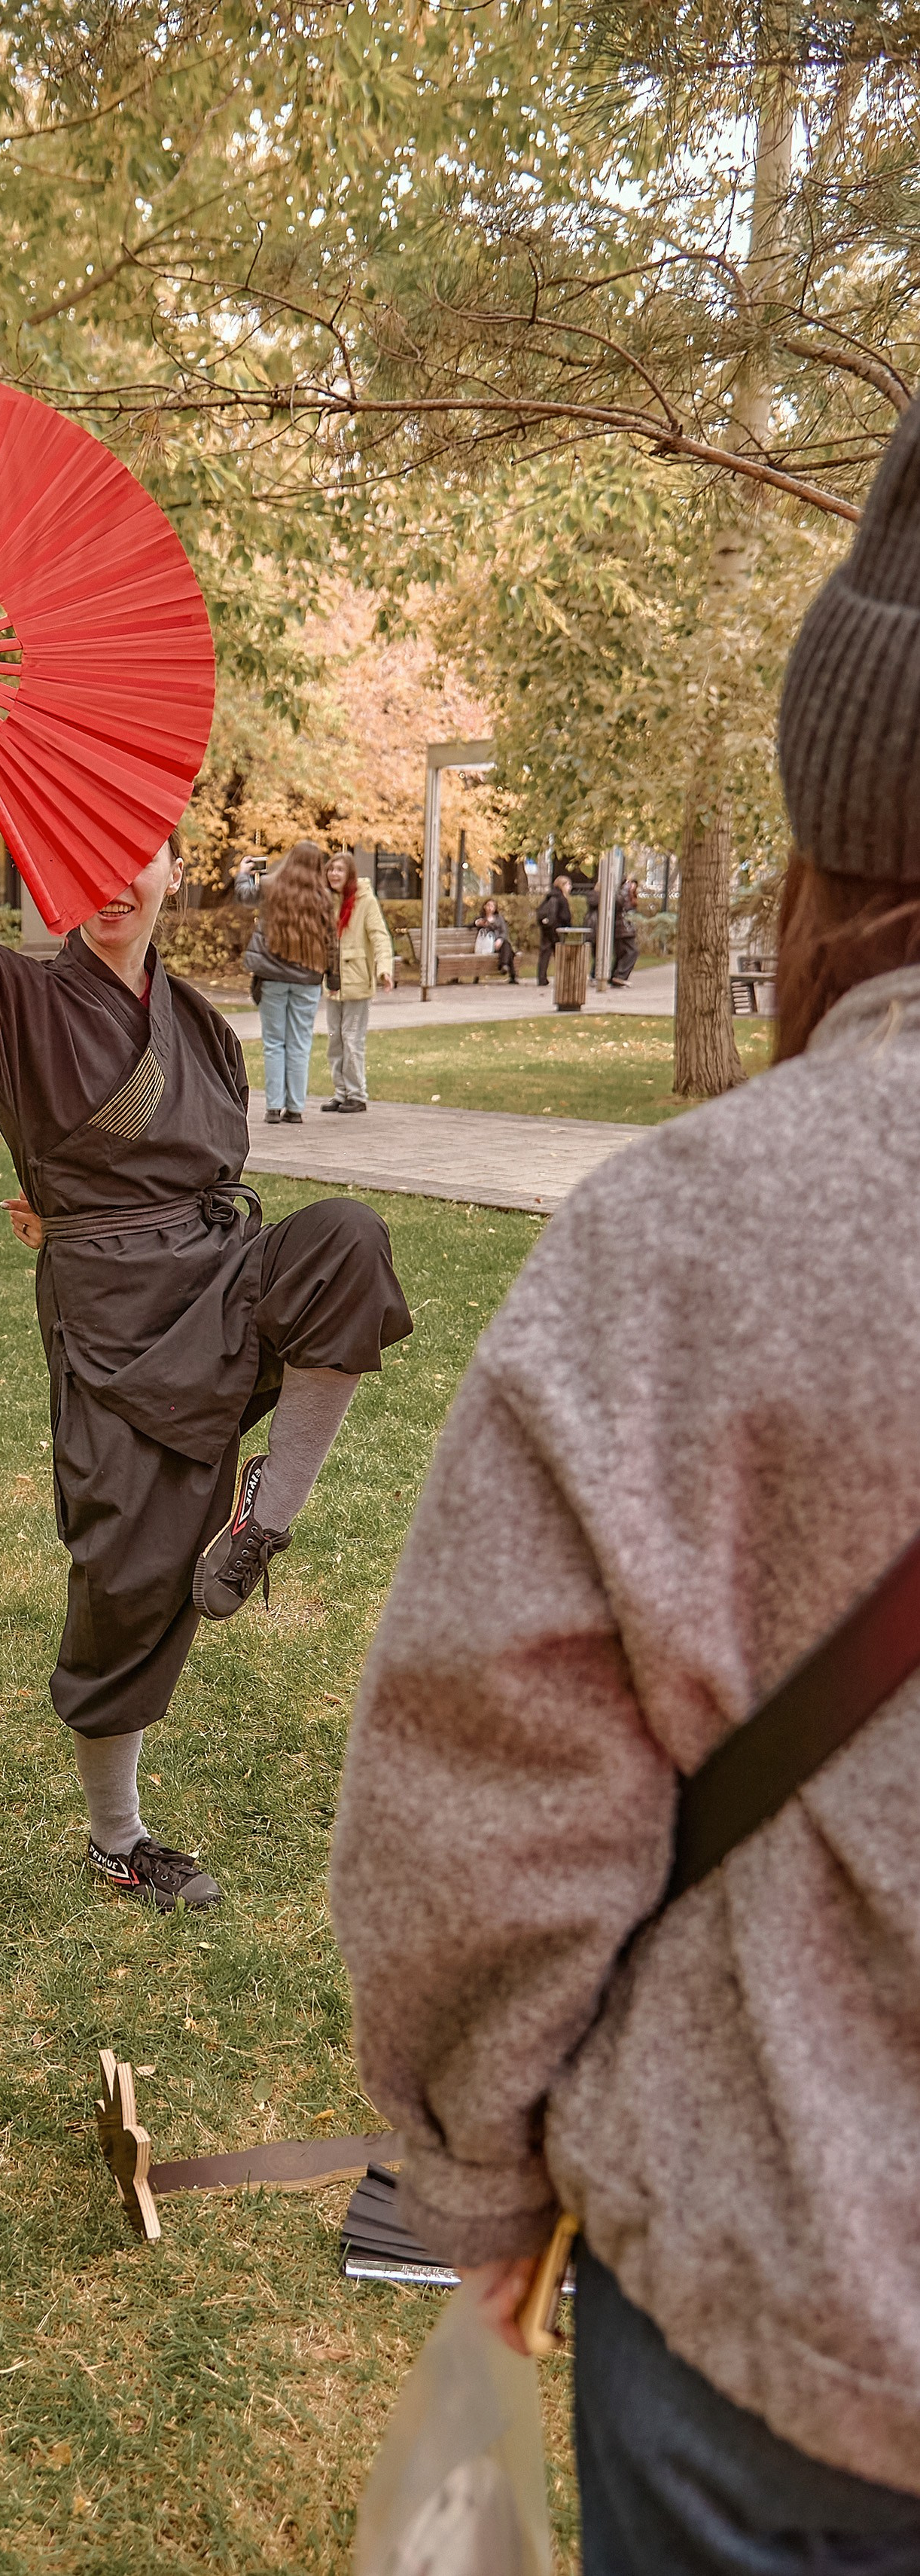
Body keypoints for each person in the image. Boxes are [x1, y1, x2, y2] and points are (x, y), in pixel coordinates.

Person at [331, 398, 920, 2575]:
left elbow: (487, 1795)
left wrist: (473, 2189)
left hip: (790, 2354)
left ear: (839, 828)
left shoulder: (691, 1237)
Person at [0, 600, 412, 1912]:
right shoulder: (16, 1002)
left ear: (174, 865)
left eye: (139, 855)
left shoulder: (197, 1024)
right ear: (50, 879)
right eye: (83, 860)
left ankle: (258, 1529)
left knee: (343, 1239)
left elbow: (209, 1171)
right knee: (121, 1579)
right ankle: (117, 1842)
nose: (113, 882)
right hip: (112, 1319)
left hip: (214, 1280)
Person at [242, 841, 331, 1123]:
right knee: (300, 1043)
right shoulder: (322, 897)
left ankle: (273, 1107)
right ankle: (295, 1108)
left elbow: (245, 897)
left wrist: (244, 874)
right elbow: (332, 942)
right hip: (308, 978)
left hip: (272, 976)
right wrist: (335, 976)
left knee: (273, 1042)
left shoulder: (270, 887)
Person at [321, 849, 395, 1113]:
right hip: (334, 981)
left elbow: (379, 936)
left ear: (349, 873)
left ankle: (357, 1093)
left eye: (340, 870)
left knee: (352, 1039)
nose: (334, 874)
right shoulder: (326, 901)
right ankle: (341, 1092)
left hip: (358, 980)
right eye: (331, 870)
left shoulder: (365, 900)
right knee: (335, 1040)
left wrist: (384, 969)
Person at [472, 893, 519, 983]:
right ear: (484, 907)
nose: (490, 907)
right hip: (486, 945)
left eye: (493, 906)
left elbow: (504, 931)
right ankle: (509, 971)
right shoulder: (481, 918)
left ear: (495, 908)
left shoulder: (499, 918)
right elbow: (472, 924)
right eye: (488, 905)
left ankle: (505, 966)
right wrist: (478, 923)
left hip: (498, 945)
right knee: (509, 950)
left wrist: (500, 940)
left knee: (506, 945)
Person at [535, 871, 572, 982]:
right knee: (561, 955)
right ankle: (563, 977)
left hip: (547, 929)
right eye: (568, 885)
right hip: (557, 929)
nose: (570, 887)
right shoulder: (561, 899)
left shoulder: (549, 897)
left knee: (545, 954)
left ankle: (542, 978)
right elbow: (565, 916)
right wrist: (568, 927)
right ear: (563, 885)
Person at [610, 873, 641, 985]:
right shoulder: (624, 893)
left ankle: (615, 976)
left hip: (623, 927)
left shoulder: (627, 894)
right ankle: (620, 975)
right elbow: (623, 906)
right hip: (624, 928)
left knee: (622, 952)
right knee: (631, 952)